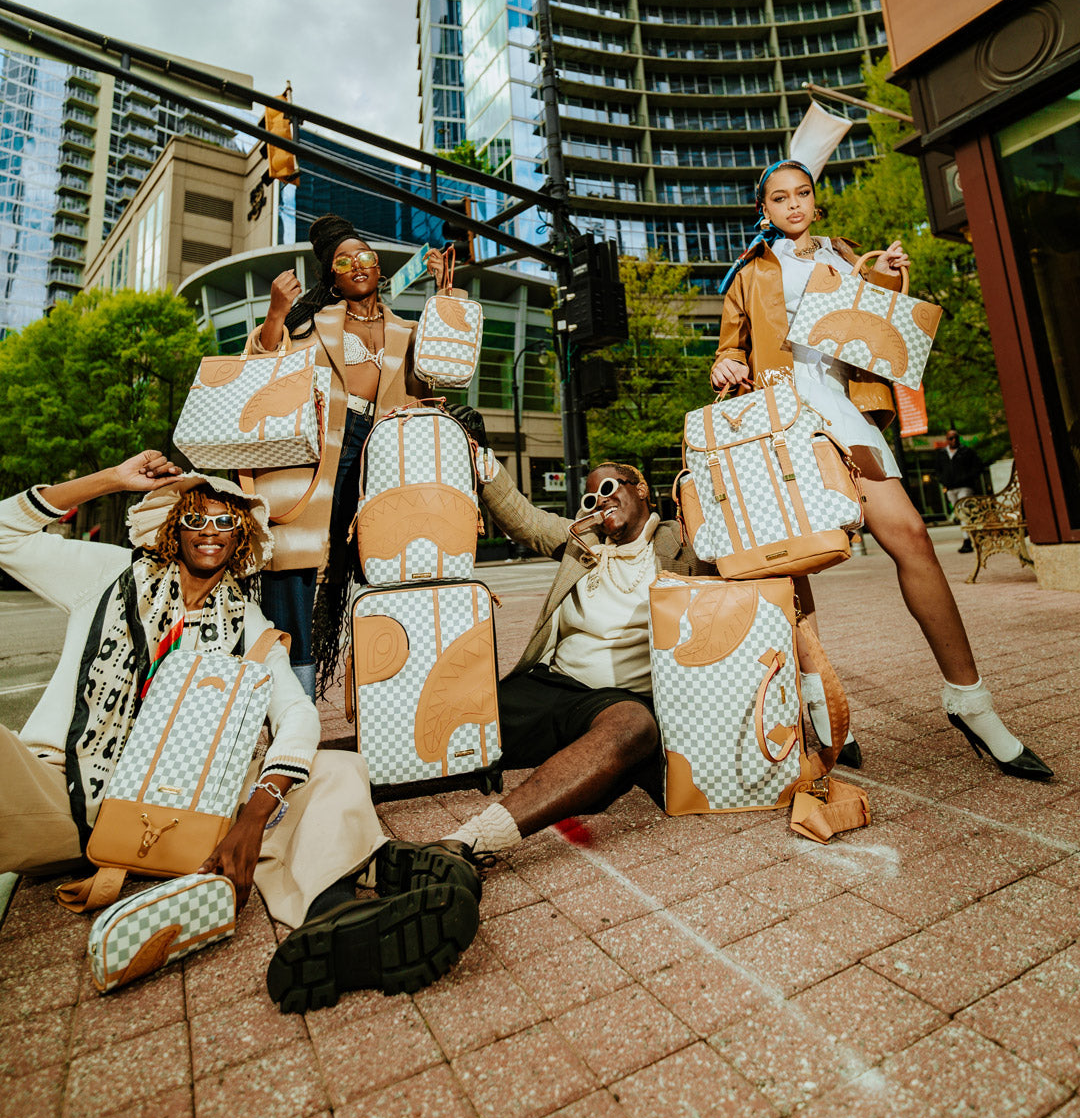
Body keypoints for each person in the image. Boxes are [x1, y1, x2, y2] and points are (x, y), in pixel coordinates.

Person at [0, 451, 480, 1009]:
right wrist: (111, 479)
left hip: (187, 803)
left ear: (242, 537)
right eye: (196, 519)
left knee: (336, 767)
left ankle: (336, 920)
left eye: (226, 521)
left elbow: (296, 714)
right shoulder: (107, 576)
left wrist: (254, 814)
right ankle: (369, 860)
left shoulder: (246, 621)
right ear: (172, 529)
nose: (210, 532)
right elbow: (5, 533)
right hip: (65, 792)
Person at [710, 159, 1053, 782]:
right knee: (794, 563)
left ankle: (969, 701)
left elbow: (875, 338)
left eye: (802, 193)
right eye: (779, 197)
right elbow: (730, 347)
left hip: (845, 411)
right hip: (781, 415)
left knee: (913, 538)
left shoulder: (846, 257)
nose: (792, 205)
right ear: (765, 209)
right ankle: (823, 704)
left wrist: (892, 281)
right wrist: (726, 366)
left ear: (815, 202)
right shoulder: (750, 272)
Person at [391, 446, 715, 867]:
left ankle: (473, 840)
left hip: (615, 702)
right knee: (441, 722)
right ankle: (319, 780)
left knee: (636, 728)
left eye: (611, 489)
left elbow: (730, 548)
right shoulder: (584, 540)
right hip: (550, 684)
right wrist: (483, 465)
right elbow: (527, 520)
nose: (601, 501)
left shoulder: (683, 544)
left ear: (642, 491)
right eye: (592, 497)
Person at [248, 215, 444, 700]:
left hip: (382, 452)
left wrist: (444, 299)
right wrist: (276, 312)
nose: (357, 265)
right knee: (292, 566)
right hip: (316, 452)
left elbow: (437, 379)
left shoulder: (408, 328)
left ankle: (391, 687)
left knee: (387, 562)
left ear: (379, 268)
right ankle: (294, 702)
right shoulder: (311, 322)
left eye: (366, 258)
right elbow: (261, 365)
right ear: (331, 275)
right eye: (344, 261)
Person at [935, 428, 984, 553]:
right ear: (947, 440)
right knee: (959, 513)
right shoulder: (942, 454)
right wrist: (943, 480)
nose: (954, 440)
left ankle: (968, 540)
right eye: (951, 438)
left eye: (956, 437)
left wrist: (967, 478)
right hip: (951, 488)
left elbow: (978, 466)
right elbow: (937, 470)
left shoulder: (966, 452)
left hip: (965, 487)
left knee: (964, 512)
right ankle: (973, 537)